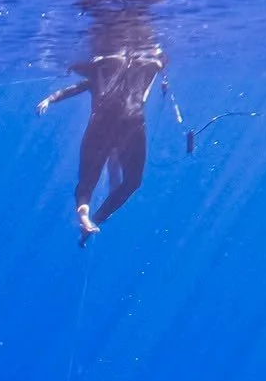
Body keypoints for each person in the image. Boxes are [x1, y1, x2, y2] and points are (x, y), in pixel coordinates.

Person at [37, 45, 168, 246]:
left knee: (88, 180)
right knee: (131, 182)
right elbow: (159, 62)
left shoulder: (101, 74)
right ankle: (97, 217)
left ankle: (85, 213)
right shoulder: (146, 68)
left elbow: (76, 88)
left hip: (103, 124)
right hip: (131, 123)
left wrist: (49, 99)